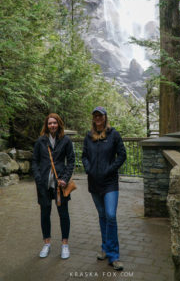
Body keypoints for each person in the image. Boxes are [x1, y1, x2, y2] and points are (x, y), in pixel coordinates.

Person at [82, 106, 126, 271]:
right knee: (102, 215)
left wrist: (110, 169)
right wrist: (89, 169)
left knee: (110, 215)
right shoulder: (88, 137)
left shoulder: (113, 134)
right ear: (93, 119)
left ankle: (114, 256)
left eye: (100, 115)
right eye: (95, 116)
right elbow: (84, 156)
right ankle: (105, 248)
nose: (98, 118)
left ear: (105, 117)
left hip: (110, 183)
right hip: (94, 183)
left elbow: (122, 155)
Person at [32, 113, 75, 259]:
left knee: (63, 214)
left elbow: (71, 161)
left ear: (59, 124)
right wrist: (38, 179)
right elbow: (35, 162)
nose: (52, 125)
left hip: (60, 185)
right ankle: (47, 243)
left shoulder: (66, 141)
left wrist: (65, 178)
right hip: (43, 185)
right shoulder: (40, 141)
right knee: (45, 214)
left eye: (54, 123)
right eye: (50, 123)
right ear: (46, 125)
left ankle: (64, 245)